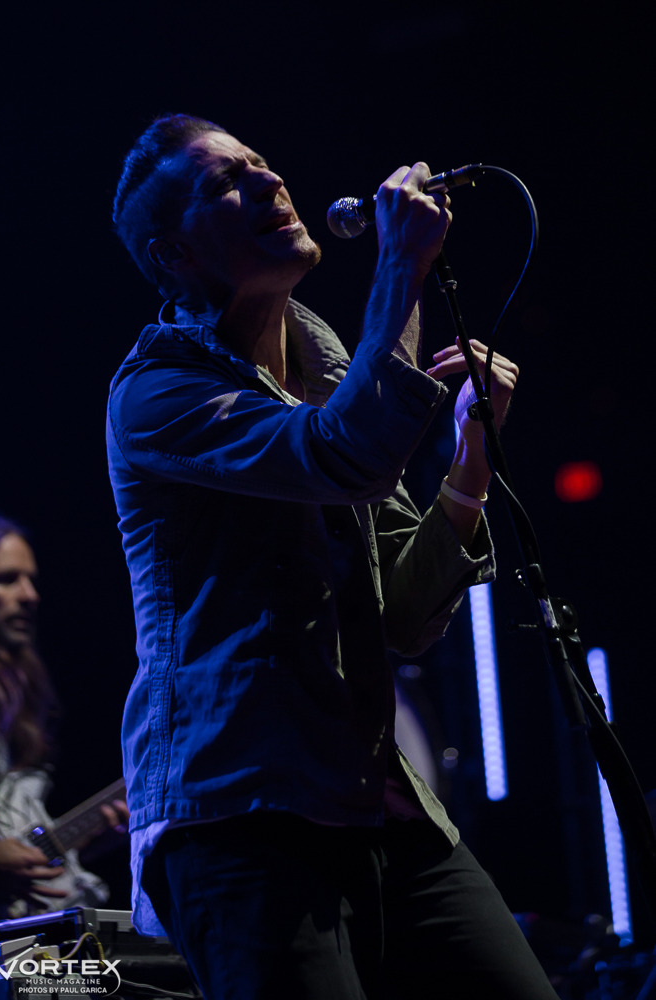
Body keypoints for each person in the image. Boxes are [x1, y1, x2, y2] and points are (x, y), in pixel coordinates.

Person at [107, 113, 559, 999]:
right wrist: (400, 267)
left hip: (378, 809)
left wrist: (466, 461)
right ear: (173, 257)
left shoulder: (321, 359)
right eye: (222, 183)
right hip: (241, 820)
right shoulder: (156, 394)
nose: (268, 182)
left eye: (261, 162)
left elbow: (401, 616)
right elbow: (339, 453)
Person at [0, 515, 127, 921]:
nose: (30, 595)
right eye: (7, 578)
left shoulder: (25, 685)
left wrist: (79, 843)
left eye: (31, 580)